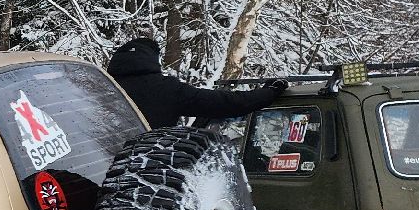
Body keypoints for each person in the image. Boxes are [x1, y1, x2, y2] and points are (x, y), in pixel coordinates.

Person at [106, 37, 288, 128]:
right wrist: (268, 93)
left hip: (94, 175)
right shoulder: (165, 89)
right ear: (152, 60)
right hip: (143, 173)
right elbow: (224, 103)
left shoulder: (101, 88)